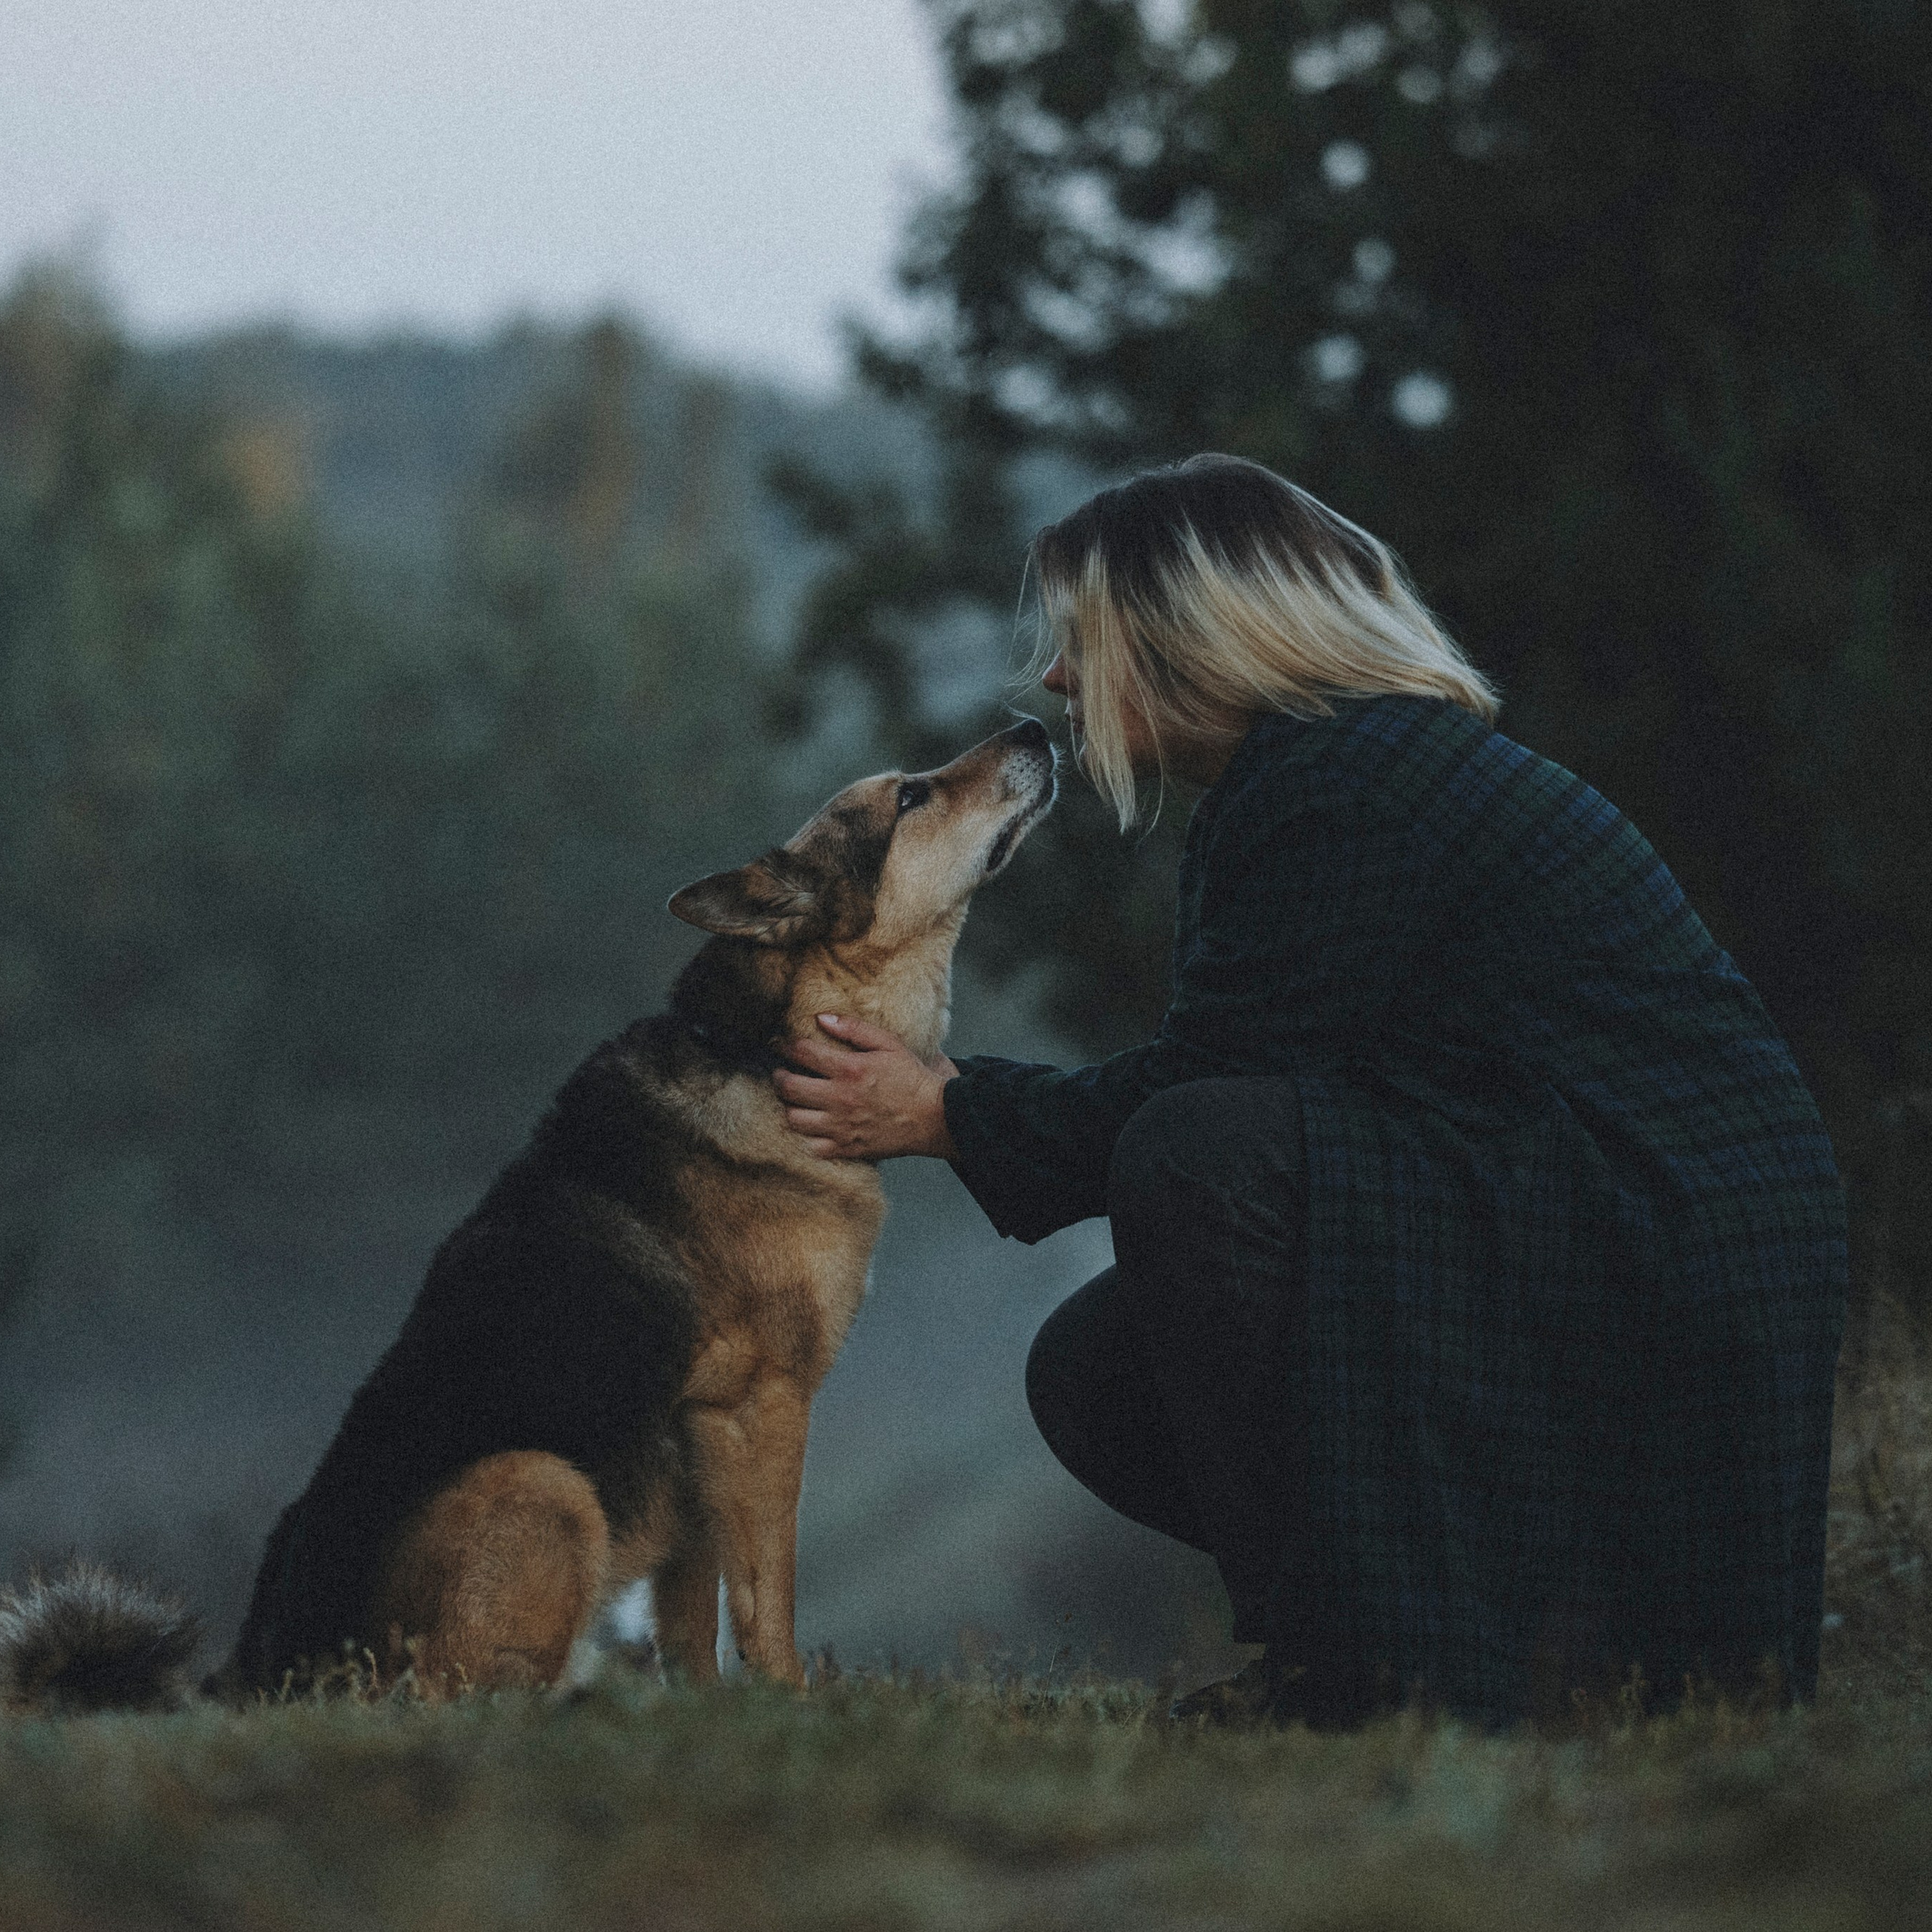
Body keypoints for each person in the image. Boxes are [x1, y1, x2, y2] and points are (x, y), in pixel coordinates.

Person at [771, 454, 1847, 1729]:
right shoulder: (1340, 768)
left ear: (1188, 640)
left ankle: (1356, 1673)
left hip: (1647, 1248)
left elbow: (1213, 1089)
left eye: (1085, 644)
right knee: (1104, 1365)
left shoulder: (1345, 785)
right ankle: (1509, 1657)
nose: (1059, 681)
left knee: (1197, 1156)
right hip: (1598, 1226)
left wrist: (951, 1112)